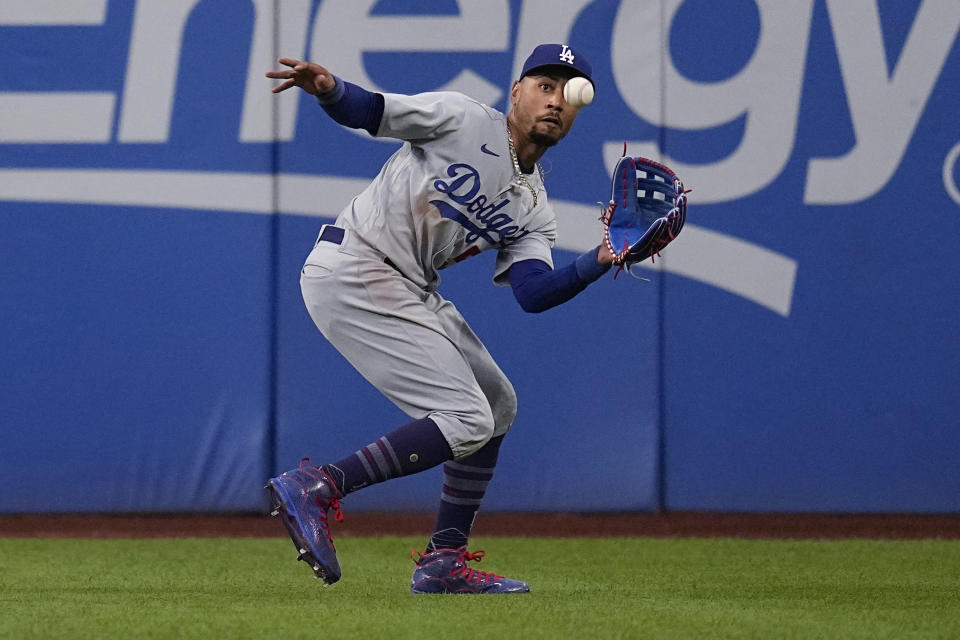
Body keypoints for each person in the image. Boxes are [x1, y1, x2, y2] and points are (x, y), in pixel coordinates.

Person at [264, 43, 615, 594]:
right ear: (517, 92)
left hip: (408, 285)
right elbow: (371, 112)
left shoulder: (533, 208)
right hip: (356, 265)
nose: (554, 101)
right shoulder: (464, 118)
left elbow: (533, 293)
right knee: (467, 416)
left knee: (496, 406)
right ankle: (320, 484)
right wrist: (330, 89)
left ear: (576, 111)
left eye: (566, 94)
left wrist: (599, 260)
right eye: (544, 86)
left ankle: (443, 561)